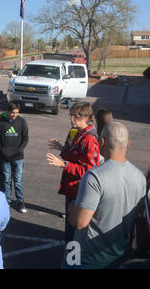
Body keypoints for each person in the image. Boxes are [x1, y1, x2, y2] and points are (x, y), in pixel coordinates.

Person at [66, 122, 147, 268]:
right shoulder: (139, 177)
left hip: (88, 258)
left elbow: (79, 222)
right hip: (120, 256)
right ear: (128, 144)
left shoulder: (94, 176)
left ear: (102, 142)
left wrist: (72, 209)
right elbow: (139, 221)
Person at [47, 102, 100, 243]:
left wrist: (63, 164)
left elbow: (90, 170)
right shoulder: (78, 133)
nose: (71, 119)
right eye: (71, 115)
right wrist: (62, 149)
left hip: (79, 192)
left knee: (74, 232)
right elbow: (73, 156)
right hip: (72, 189)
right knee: (70, 230)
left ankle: (71, 261)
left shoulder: (90, 139)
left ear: (87, 117)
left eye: (75, 116)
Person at [0, 102, 29, 213]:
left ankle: (20, 202)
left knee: (17, 180)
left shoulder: (22, 122)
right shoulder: (0, 123)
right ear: (8, 112)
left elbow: (25, 138)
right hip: (4, 157)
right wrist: (2, 151)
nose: (14, 115)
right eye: (12, 113)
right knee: (6, 180)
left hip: (18, 157)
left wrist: (18, 150)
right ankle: (7, 201)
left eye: (17, 113)